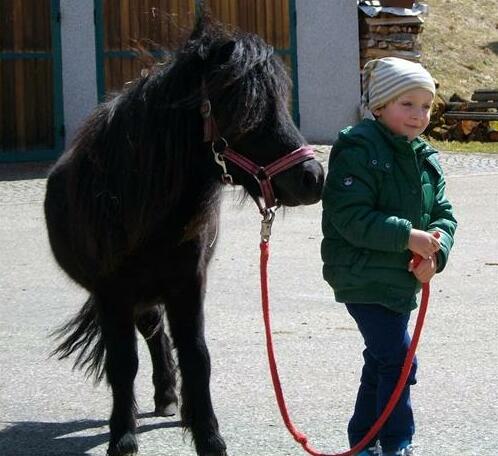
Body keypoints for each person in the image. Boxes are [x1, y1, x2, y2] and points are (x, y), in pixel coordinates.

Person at [321, 57, 457, 456]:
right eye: (407, 104)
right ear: (379, 106)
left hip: (399, 279)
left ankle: (363, 439)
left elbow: (444, 215)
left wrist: (437, 251)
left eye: (426, 106)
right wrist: (407, 236)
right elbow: (350, 217)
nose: (419, 116)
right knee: (400, 362)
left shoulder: (425, 158)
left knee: (380, 360)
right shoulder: (358, 148)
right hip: (360, 276)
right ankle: (397, 443)